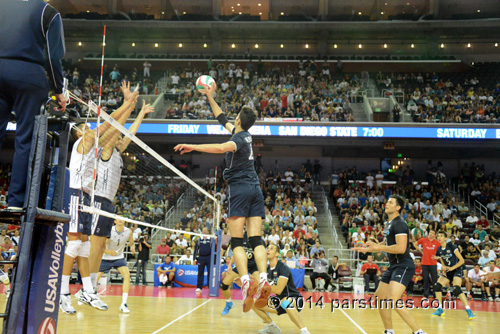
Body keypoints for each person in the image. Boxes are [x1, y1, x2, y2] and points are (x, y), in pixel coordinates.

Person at [174, 82, 270, 312]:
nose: (232, 118)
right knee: (256, 239)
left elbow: (220, 148)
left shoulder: (236, 140)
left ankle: (246, 281)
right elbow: (220, 117)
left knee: (237, 241)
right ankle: (264, 278)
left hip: (239, 189)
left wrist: (192, 146)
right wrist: (210, 96)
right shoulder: (245, 134)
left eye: (234, 117)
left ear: (238, 120)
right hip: (256, 189)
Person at [60, 98, 137, 314]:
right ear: (79, 133)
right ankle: (63, 293)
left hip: (85, 197)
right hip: (75, 194)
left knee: (83, 248)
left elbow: (113, 129)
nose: (90, 129)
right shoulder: (82, 142)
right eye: (86, 127)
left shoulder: (94, 146)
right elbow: (108, 124)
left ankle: (88, 291)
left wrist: (128, 108)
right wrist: (126, 105)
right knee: (75, 246)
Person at [0, 0, 66, 210]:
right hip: (28, 75)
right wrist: (58, 90)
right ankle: (16, 202)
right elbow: (53, 56)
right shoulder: (49, 12)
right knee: (25, 139)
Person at [88, 87, 152, 293]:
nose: (120, 137)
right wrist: (127, 105)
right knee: (95, 246)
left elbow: (129, 133)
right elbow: (117, 127)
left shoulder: (117, 150)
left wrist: (139, 112)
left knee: (98, 247)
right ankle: (87, 285)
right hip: (97, 200)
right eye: (117, 136)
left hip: (108, 203)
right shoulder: (106, 149)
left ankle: (90, 285)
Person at [353, 195, 427, 334]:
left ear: (398, 207)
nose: (386, 204)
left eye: (390, 202)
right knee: (380, 297)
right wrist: (370, 248)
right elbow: (387, 243)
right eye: (387, 201)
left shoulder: (400, 223)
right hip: (394, 266)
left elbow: (400, 248)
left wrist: (378, 248)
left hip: (404, 265)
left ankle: (418, 331)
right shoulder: (389, 223)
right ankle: (389, 331)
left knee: (393, 299)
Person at [252, 244, 310, 334]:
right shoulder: (266, 270)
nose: (268, 250)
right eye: (267, 249)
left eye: (271, 249)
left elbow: (278, 290)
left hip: (295, 299)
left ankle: (304, 331)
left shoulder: (283, 267)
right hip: (279, 300)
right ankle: (272, 327)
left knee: (285, 302)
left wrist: (262, 286)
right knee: (253, 302)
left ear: (277, 254)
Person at [431, 231, 475, 319]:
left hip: (457, 270)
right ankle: (440, 309)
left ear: (445, 238)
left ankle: (468, 310)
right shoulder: (439, 249)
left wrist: (452, 268)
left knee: (456, 289)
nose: (439, 237)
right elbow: (442, 259)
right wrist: (443, 267)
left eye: (441, 236)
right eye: (438, 236)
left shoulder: (452, 246)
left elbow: (462, 261)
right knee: (437, 286)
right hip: (448, 272)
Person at [96, 219, 135, 313]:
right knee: (95, 278)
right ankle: (86, 294)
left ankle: (124, 304)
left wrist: (132, 248)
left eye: (122, 218)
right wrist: (110, 252)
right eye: (118, 218)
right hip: (106, 257)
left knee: (127, 275)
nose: (120, 220)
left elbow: (132, 243)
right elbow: (101, 248)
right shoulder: (109, 231)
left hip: (119, 258)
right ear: (114, 221)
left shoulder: (128, 232)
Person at [220, 236, 263, 316]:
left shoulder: (258, 240)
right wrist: (230, 265)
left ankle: (263, 306)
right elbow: (236, 254)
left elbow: (262, 256)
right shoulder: (241, 240)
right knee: (224, 285)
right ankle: (229, 303)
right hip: (242, 265)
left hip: (254, 266)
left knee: (261, 285)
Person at [413, 230, 441, 298]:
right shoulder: (423, 240)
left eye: (432, 233)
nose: (430, 234)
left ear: (434, 235)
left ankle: (435, 294)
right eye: (430, 232)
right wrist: (420, 250)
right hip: (424, 263)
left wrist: (438, 257)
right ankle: (426, 294)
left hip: (433, 263)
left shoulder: (437, 243)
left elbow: (442, 250)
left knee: (434, 280)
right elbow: (415, 244)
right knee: (425, 279)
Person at [194, 227, 213, 292]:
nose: (204, 232)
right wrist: (194, 259)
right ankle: (199, 287)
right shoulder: (199, 240)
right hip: (201, 258)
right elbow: (195, 250)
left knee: (210, 273)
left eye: (205, 231)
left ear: (208, 232)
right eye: (203, 231)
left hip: (209, 257)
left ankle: (210, 286)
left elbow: (213, 250)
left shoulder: (210, 240)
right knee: (200, 273)